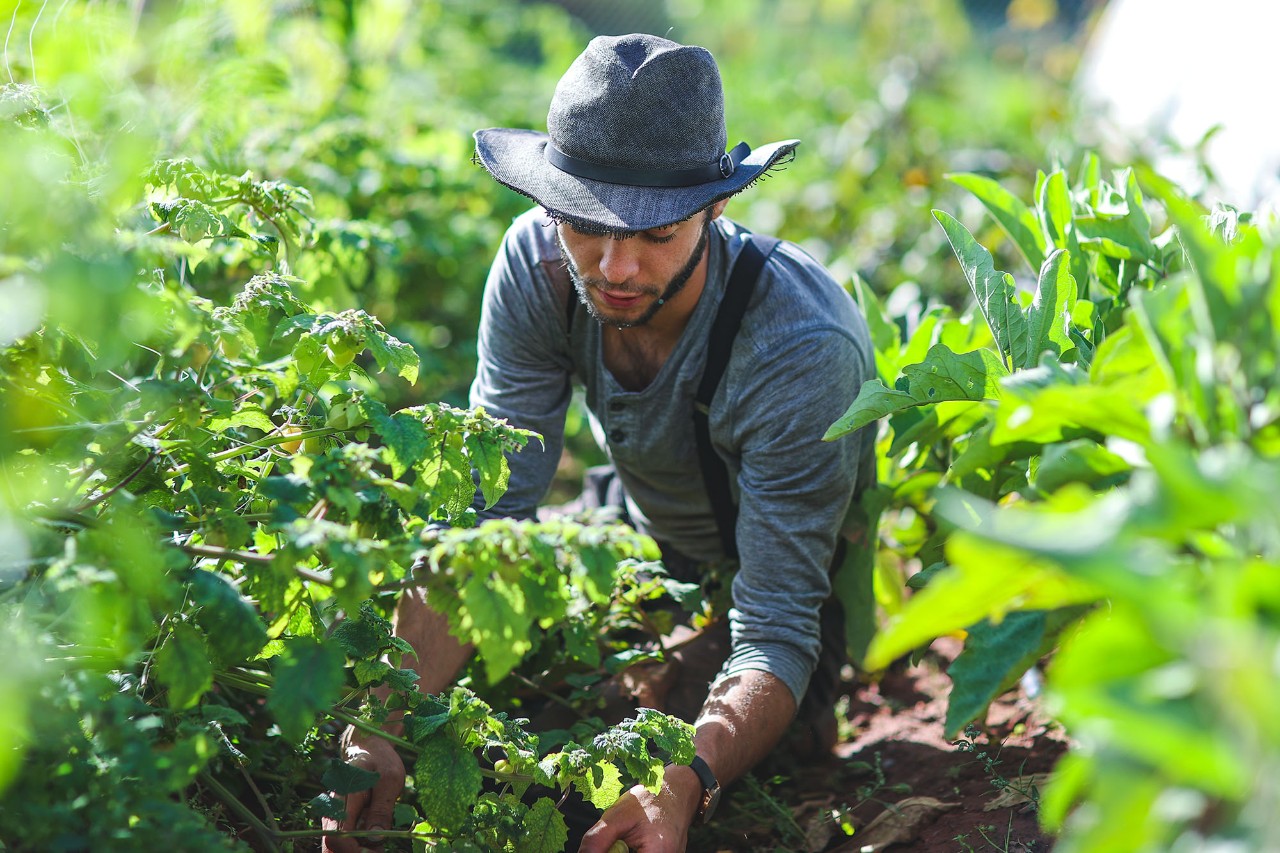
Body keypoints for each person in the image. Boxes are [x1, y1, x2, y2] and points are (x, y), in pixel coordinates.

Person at [325, 33, 877, 853]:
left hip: (775, 597)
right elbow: (491, 520)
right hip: (632, 536)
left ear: (716, 207)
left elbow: (777, 627)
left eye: (655, 233)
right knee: (459, 709)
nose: (615, 265)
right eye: (586, 223)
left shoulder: (798, 345)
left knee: (596, 775)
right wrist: (382, 722)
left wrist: (686, 781)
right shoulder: (540, 270)